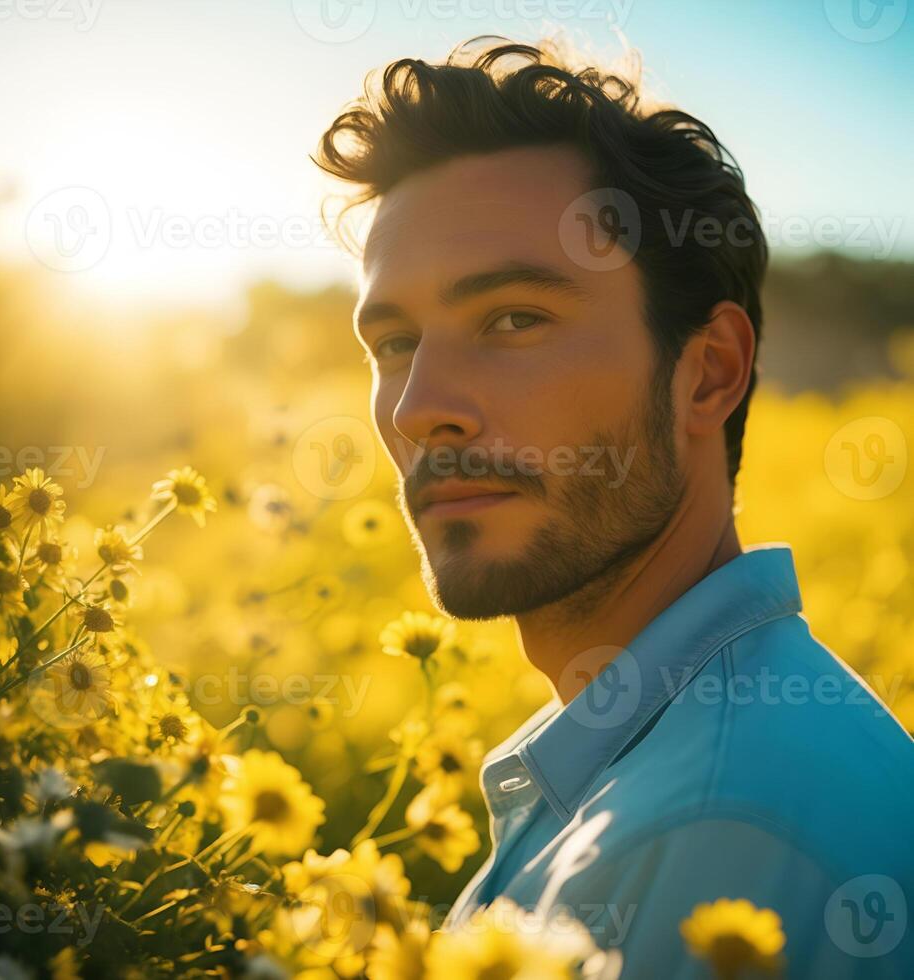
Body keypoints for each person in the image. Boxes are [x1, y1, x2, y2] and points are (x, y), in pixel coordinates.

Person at [314, 36, 913, 978]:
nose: (422, 404)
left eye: (513, 319)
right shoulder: (666, 758)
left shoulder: (711, 838)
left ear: (707, 373)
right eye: (393, 340)